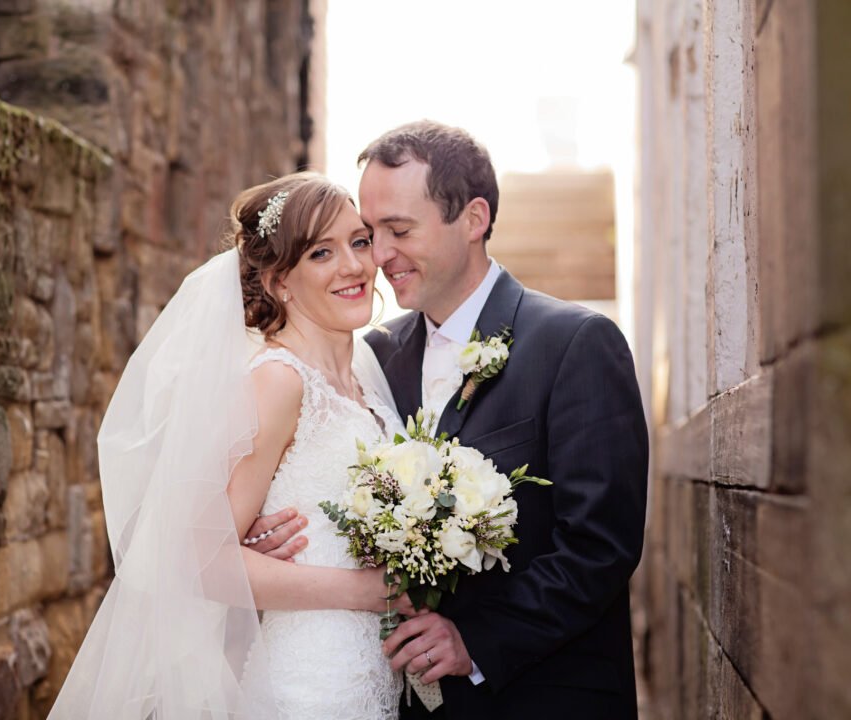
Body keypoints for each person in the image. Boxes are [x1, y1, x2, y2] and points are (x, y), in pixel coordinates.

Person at [246, 121, 649, 719]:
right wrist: (255, 537)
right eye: (370, 233)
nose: (379, 257)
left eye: (398, 231)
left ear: (474, 218)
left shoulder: (577, 344)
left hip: (539, 697)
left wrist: (477, 642)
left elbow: (601, 546)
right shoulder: (373, 358)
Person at [47, 172, 406, 720]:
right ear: (281, 281)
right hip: (312, 686)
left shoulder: (365, 376)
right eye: (321, 253)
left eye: (359, 242)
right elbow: (201, 562)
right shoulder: (279, 381)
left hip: (378, 674)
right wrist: (362, 590)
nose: (354, 266)